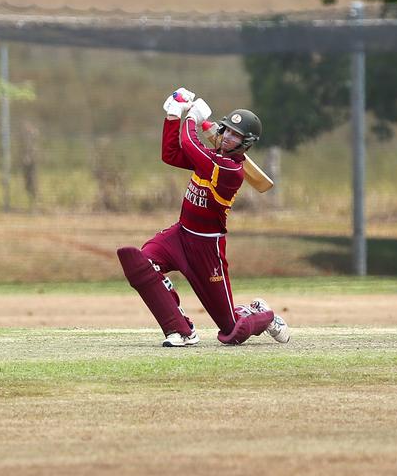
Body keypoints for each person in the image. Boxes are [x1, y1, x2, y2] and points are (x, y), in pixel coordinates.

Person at [117, 88, 289, 347]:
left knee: (232, 331)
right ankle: (181, 330)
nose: (228, 137)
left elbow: (188, 143)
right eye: (227, 130)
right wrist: (173, 115)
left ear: (246, 142)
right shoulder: (211, 157)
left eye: (236, 135)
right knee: (142, 264)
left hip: (207, 249)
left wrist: (191, 118)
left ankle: (262, 314)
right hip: (180, 234)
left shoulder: (230, 170)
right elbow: (172, 154)